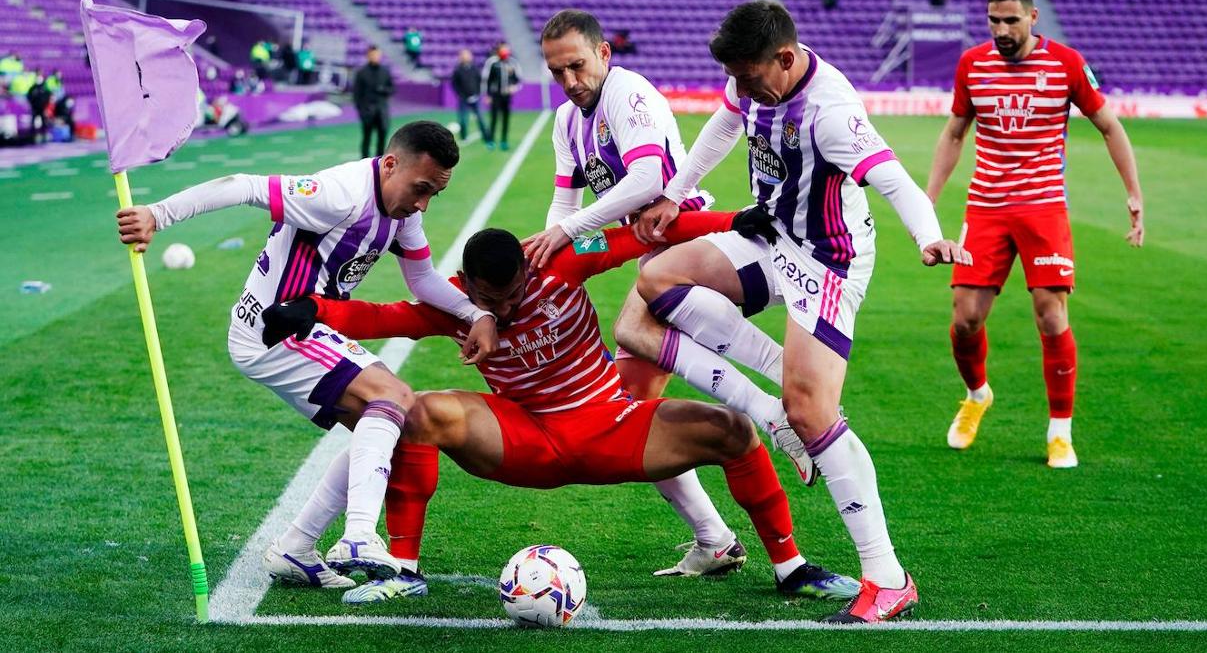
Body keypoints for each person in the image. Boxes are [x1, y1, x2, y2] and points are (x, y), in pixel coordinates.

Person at [260, 212, 860, 605]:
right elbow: (384, 316)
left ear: (527, 267)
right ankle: (403, 569)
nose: (506, 307)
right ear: (467, 283)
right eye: (492, 299)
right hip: (522, 436)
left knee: (731, 428)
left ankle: (791, 568)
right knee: (418, 411)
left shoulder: (562, 260)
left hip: (611, 424)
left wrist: (730, 221)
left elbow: (642, 235)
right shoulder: (454, 302)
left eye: (514, 292)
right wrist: (313, 310)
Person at [631, 0, 970, 623]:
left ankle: (887, 577)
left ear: (785, 59)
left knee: (813, 413)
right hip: (772, 235)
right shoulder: (751, 81)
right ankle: (784, 387)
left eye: (749, 77)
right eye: (733, 77)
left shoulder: (830, 112)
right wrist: (675, 194)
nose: (741, 89)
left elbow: (895, 181)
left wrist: (930, 237)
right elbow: (724, 125)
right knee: (659, 279)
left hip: (828, 260)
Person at [115, 121, 499, 585]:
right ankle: (358, 536)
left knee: (394, 425)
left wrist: (476, 314)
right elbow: (244, 185)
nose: (423, 204)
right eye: (421, 189)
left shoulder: (403, 213)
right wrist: (157, 214)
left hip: (306, 326)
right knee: (393, 396)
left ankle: (295, 548)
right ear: (390, 164)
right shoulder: (339, 195)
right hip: (274, 328)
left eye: (433, 194)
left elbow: (422, 280)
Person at [523, 9, 817, 578]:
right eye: (557, 72)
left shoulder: (627, 94)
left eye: (577, 66)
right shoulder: (566, 120)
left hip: (689, 242)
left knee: (631, 332)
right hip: (650, 252)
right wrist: (550, 262)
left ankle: (781, 411)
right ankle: (715, 539)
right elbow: (563, 204)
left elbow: (648, 182)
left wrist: (569, 232)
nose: (569, 81)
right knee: (631, 414)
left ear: (604, 53)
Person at [925, 0, 1144, 469]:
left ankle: (1060, 432)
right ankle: (977, 395)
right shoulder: (973, 64)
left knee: (1051, 314)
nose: (1001, 30)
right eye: (993, 20)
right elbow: (955, 133)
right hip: (986, 206)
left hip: (1043, 207)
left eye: (1011, 20)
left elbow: (1109, 127)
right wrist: (927, 201)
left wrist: (1133, 193)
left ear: (1032, 17)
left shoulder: (1065, 63)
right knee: (965, 319)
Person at [353, 46, 394, 158]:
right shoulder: (362, 72)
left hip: (382, 111)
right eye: (373, 55)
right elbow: (357, 94)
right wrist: (361, 111)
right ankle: (364, 161)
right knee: (366, 138)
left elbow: (392, 89)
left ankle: (380, 162)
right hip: (367, 111)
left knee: (382, 138)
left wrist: (383, 90)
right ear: (368, 56)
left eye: (377, 55)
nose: (375, 57)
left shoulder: (385, 71)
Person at [482, 43, 521, 150]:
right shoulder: (492, 62)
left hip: (507, 96)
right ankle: (491, 141)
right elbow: (487, 79)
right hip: (495, 95)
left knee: (505, 118)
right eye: (503, 49)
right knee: (494, 118)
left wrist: (514, 87)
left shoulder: (513, 63)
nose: (505, 51)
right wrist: (488, 95)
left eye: (506, 49)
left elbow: (518, 79)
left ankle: (504, 141)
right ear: (499, 50)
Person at [450, 49, 488, 143]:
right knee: (463, 119)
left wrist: (477, 94)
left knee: (481, 118)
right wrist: (460, 95)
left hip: (475, 98)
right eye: (464, 55)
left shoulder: (475, 69)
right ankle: (464, 137)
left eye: (467, 55)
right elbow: (454, 84)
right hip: (463, 99)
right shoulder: (458, 70)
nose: (466, 57)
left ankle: (486, 137)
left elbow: (479, 81)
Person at [27, 73, 51, 144]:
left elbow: (48, 96)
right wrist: (32, 104)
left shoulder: (44, 88)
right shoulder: (32, 88)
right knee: (33, 122)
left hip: (42, 108)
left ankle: (44, 135)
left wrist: (45, 105)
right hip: (35, 108)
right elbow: (29, 97)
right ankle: (32, 136)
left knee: (44, 122)